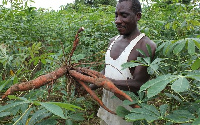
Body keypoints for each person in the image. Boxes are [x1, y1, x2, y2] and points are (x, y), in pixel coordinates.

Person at [90, 0, 157, 124]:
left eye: (124, 15)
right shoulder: (112, 41)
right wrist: (90, 86)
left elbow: (139, 83)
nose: (117, 20)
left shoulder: (145, 45)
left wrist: (107, 83)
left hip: (129, 116)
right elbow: (107, 70)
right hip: (107, 111)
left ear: (138, 16)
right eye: (116, 15)